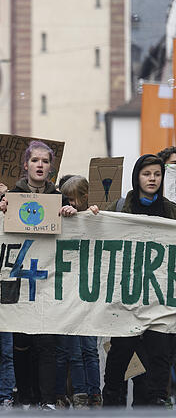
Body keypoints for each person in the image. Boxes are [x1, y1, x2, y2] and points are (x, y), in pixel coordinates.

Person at [0, 141, 76, 410]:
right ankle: (26, 397)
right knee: (21, 343)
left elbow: (80, 228)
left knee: (47, 341)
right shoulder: (12, 197)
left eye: (45, 161)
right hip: (19, 278)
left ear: (51, 168)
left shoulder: (58, 197)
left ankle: (48, 400)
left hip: (48, 280)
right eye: (35, 160)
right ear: (26, 165)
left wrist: (71, 213)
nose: (40, 165)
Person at [102, 154, 176, 408]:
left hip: (159, 299)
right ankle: (112, 401)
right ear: (137, 177)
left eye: (157, 174)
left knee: (159, 356)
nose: (152, 179)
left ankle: (156, 404)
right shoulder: (121, 207)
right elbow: (95, 227)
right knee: (120, 355)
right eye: (147, 174)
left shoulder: (170, 210)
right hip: (127, 298)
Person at [55, 176, 101, 409]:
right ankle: (80, 393)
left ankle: (94, 393)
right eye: (66, 200)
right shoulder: (64, 214)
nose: (70, 204)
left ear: (85, 198)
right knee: (73, 349)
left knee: (89, 348)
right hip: (68, 293)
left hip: (89, 292)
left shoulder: (95, 215)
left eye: (73, 200)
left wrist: (94, 214)